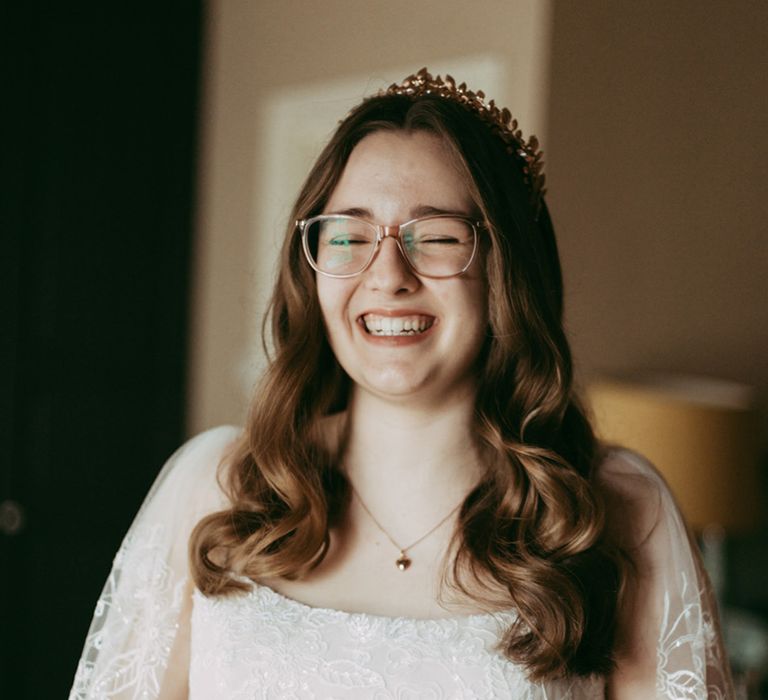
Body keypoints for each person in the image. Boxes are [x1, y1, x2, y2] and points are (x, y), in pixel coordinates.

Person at [70, 68, 733, 699]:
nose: (387, 274)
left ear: (506, 270)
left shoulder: (614, 510)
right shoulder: (217, 486)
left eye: (436, 236)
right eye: (348, 236)